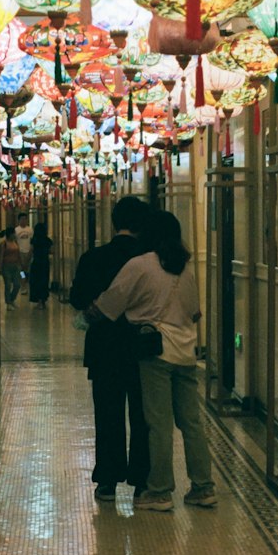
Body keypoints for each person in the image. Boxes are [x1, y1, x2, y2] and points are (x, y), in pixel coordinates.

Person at [93, 210, 216, 513]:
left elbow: (112, 302)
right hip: (185, 352)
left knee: (158, 423)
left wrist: (88, 316)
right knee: (191, 422)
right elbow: (195, 312)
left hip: (155, 353)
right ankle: (203, 487)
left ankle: (160, 491)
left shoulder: (140, 265)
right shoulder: (183, 267)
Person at [70, 196, 151, 503]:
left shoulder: (94, 257)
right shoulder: (150, 258)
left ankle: (107, 480)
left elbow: (77, 298)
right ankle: (142, 478)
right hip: (141, 346)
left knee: (108, 413)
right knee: (143, 416)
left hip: (104, 347)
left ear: (114, 223)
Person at [27, 220, 53, 307]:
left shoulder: (34, 240)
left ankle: (38, 300)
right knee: (44, 281)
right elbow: (52, 251)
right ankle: (43, 299)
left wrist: (26, 262)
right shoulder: (47, 240)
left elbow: (31, 251)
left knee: (36, 281)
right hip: (45, 263)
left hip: (36, 263)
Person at [0, 226, 22, 308]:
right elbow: (1, 256)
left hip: (16, 266)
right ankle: (8, 302)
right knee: (8, 285)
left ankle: (12, 299)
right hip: (6, 266)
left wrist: (21, 265)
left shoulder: (15, 242)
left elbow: (18, 254)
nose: (15, 235)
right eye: (13, 233)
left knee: (17, 285)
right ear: (9, 234)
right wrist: (0, 267)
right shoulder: (4, 243)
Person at [15, 214, 33, 285]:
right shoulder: (16, 230)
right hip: (20, 252)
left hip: (29, 251)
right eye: (22, 219)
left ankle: (28, 281)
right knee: (21, 269)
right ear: (19, 220)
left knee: (28, 268)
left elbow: (32, 241)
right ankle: (23, 283)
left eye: (25, 219)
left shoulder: (30, 229)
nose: (24, 221)